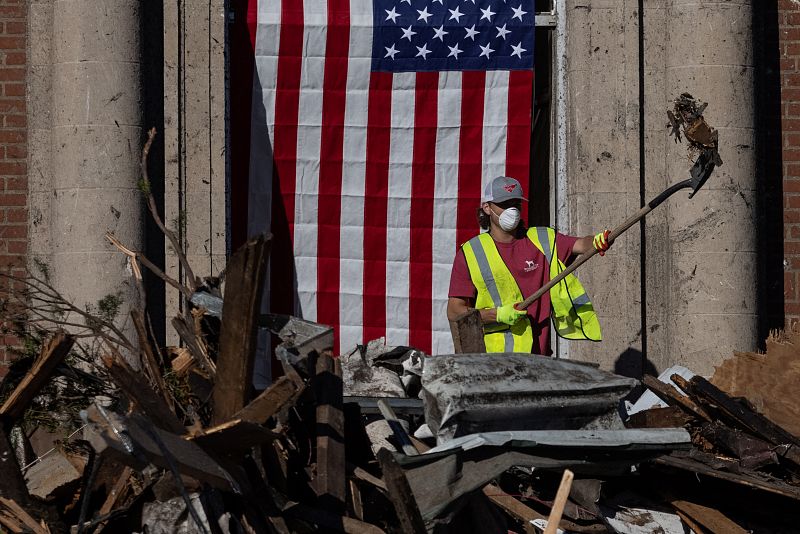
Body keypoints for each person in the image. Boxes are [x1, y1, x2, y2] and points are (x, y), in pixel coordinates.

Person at [447, 176, 611, 354]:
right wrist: (497, 315)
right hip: (494, 363)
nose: (512, 210)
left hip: (539, 360)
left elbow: (581, 244)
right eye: (504, 204)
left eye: (516, 204)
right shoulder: (471, 253)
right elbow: (455, 312)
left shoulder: (543, 239)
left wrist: (597, 241)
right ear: (487, 207)